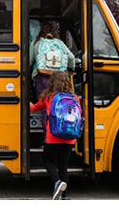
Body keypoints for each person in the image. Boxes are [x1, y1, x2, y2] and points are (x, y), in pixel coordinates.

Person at [30, 71, 81, 200]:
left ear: (52, 82)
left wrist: (26, 100)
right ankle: (63, 196)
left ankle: (57, 182)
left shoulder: (48, 97)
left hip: (53, 136)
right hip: (70, 137)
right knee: (63, 165)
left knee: (47, 160)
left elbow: (34, 108)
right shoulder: (74, 98)